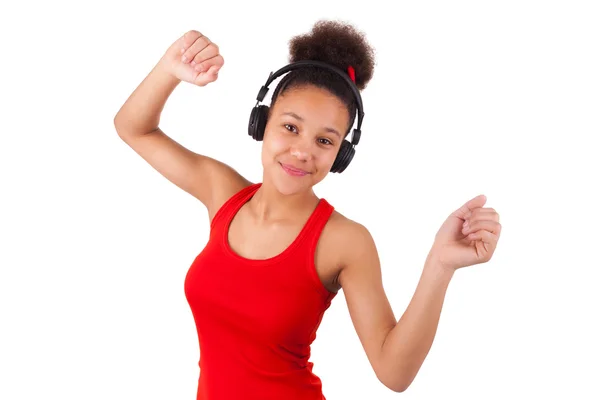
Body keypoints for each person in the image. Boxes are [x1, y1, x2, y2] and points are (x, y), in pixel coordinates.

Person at [114, 20, 501, 400]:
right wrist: (170, 67)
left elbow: (394, 373)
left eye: (325, 140)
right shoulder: (223, 195)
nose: (303, 151)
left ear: (340, 156)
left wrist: (440, 264)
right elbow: (134, 127)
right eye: (291, 127)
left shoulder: (344, 241)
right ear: (261, 123)